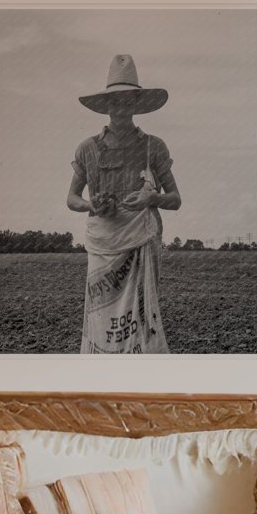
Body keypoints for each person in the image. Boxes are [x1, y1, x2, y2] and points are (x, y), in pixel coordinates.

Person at [66, 54, 182, 353]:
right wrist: (92, 206)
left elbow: (175, 199)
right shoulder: (87, 149)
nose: (121, 108)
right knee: (100, 312)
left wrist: (151, 198)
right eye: (115, 102)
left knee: (143, 313)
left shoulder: (153, 147)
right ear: (106, 107)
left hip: (142, 240)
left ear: (136, 105)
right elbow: (72, 198)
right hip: (103, 244)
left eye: (127, 101)